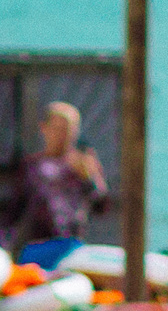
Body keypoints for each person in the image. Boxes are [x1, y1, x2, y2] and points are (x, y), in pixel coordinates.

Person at [6, 102, 107, 257]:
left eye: (68, 130)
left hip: (70, 245)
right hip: (37, 244)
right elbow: (16, 208)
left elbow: (101, 207)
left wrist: (90, 179)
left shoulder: (83, 164)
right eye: (57, 129)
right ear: (44, 128)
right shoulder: (31, 166)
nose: (62, 136)